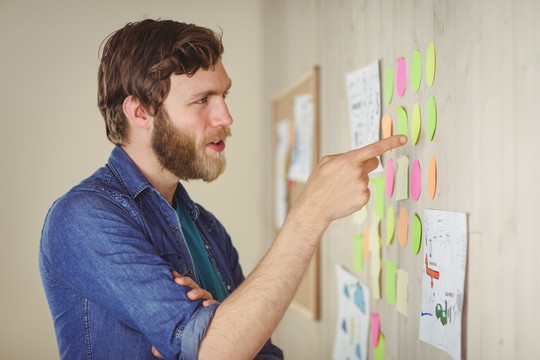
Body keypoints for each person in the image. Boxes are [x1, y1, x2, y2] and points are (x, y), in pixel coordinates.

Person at [39, 18, 406, 360]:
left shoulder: (207, 228)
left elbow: (259, 352)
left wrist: (225, 324)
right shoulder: (83, 219)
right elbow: (216, 351)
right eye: (202, 100)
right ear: (139, 112)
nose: (225, 118)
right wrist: (310, 213)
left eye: (224, 96)